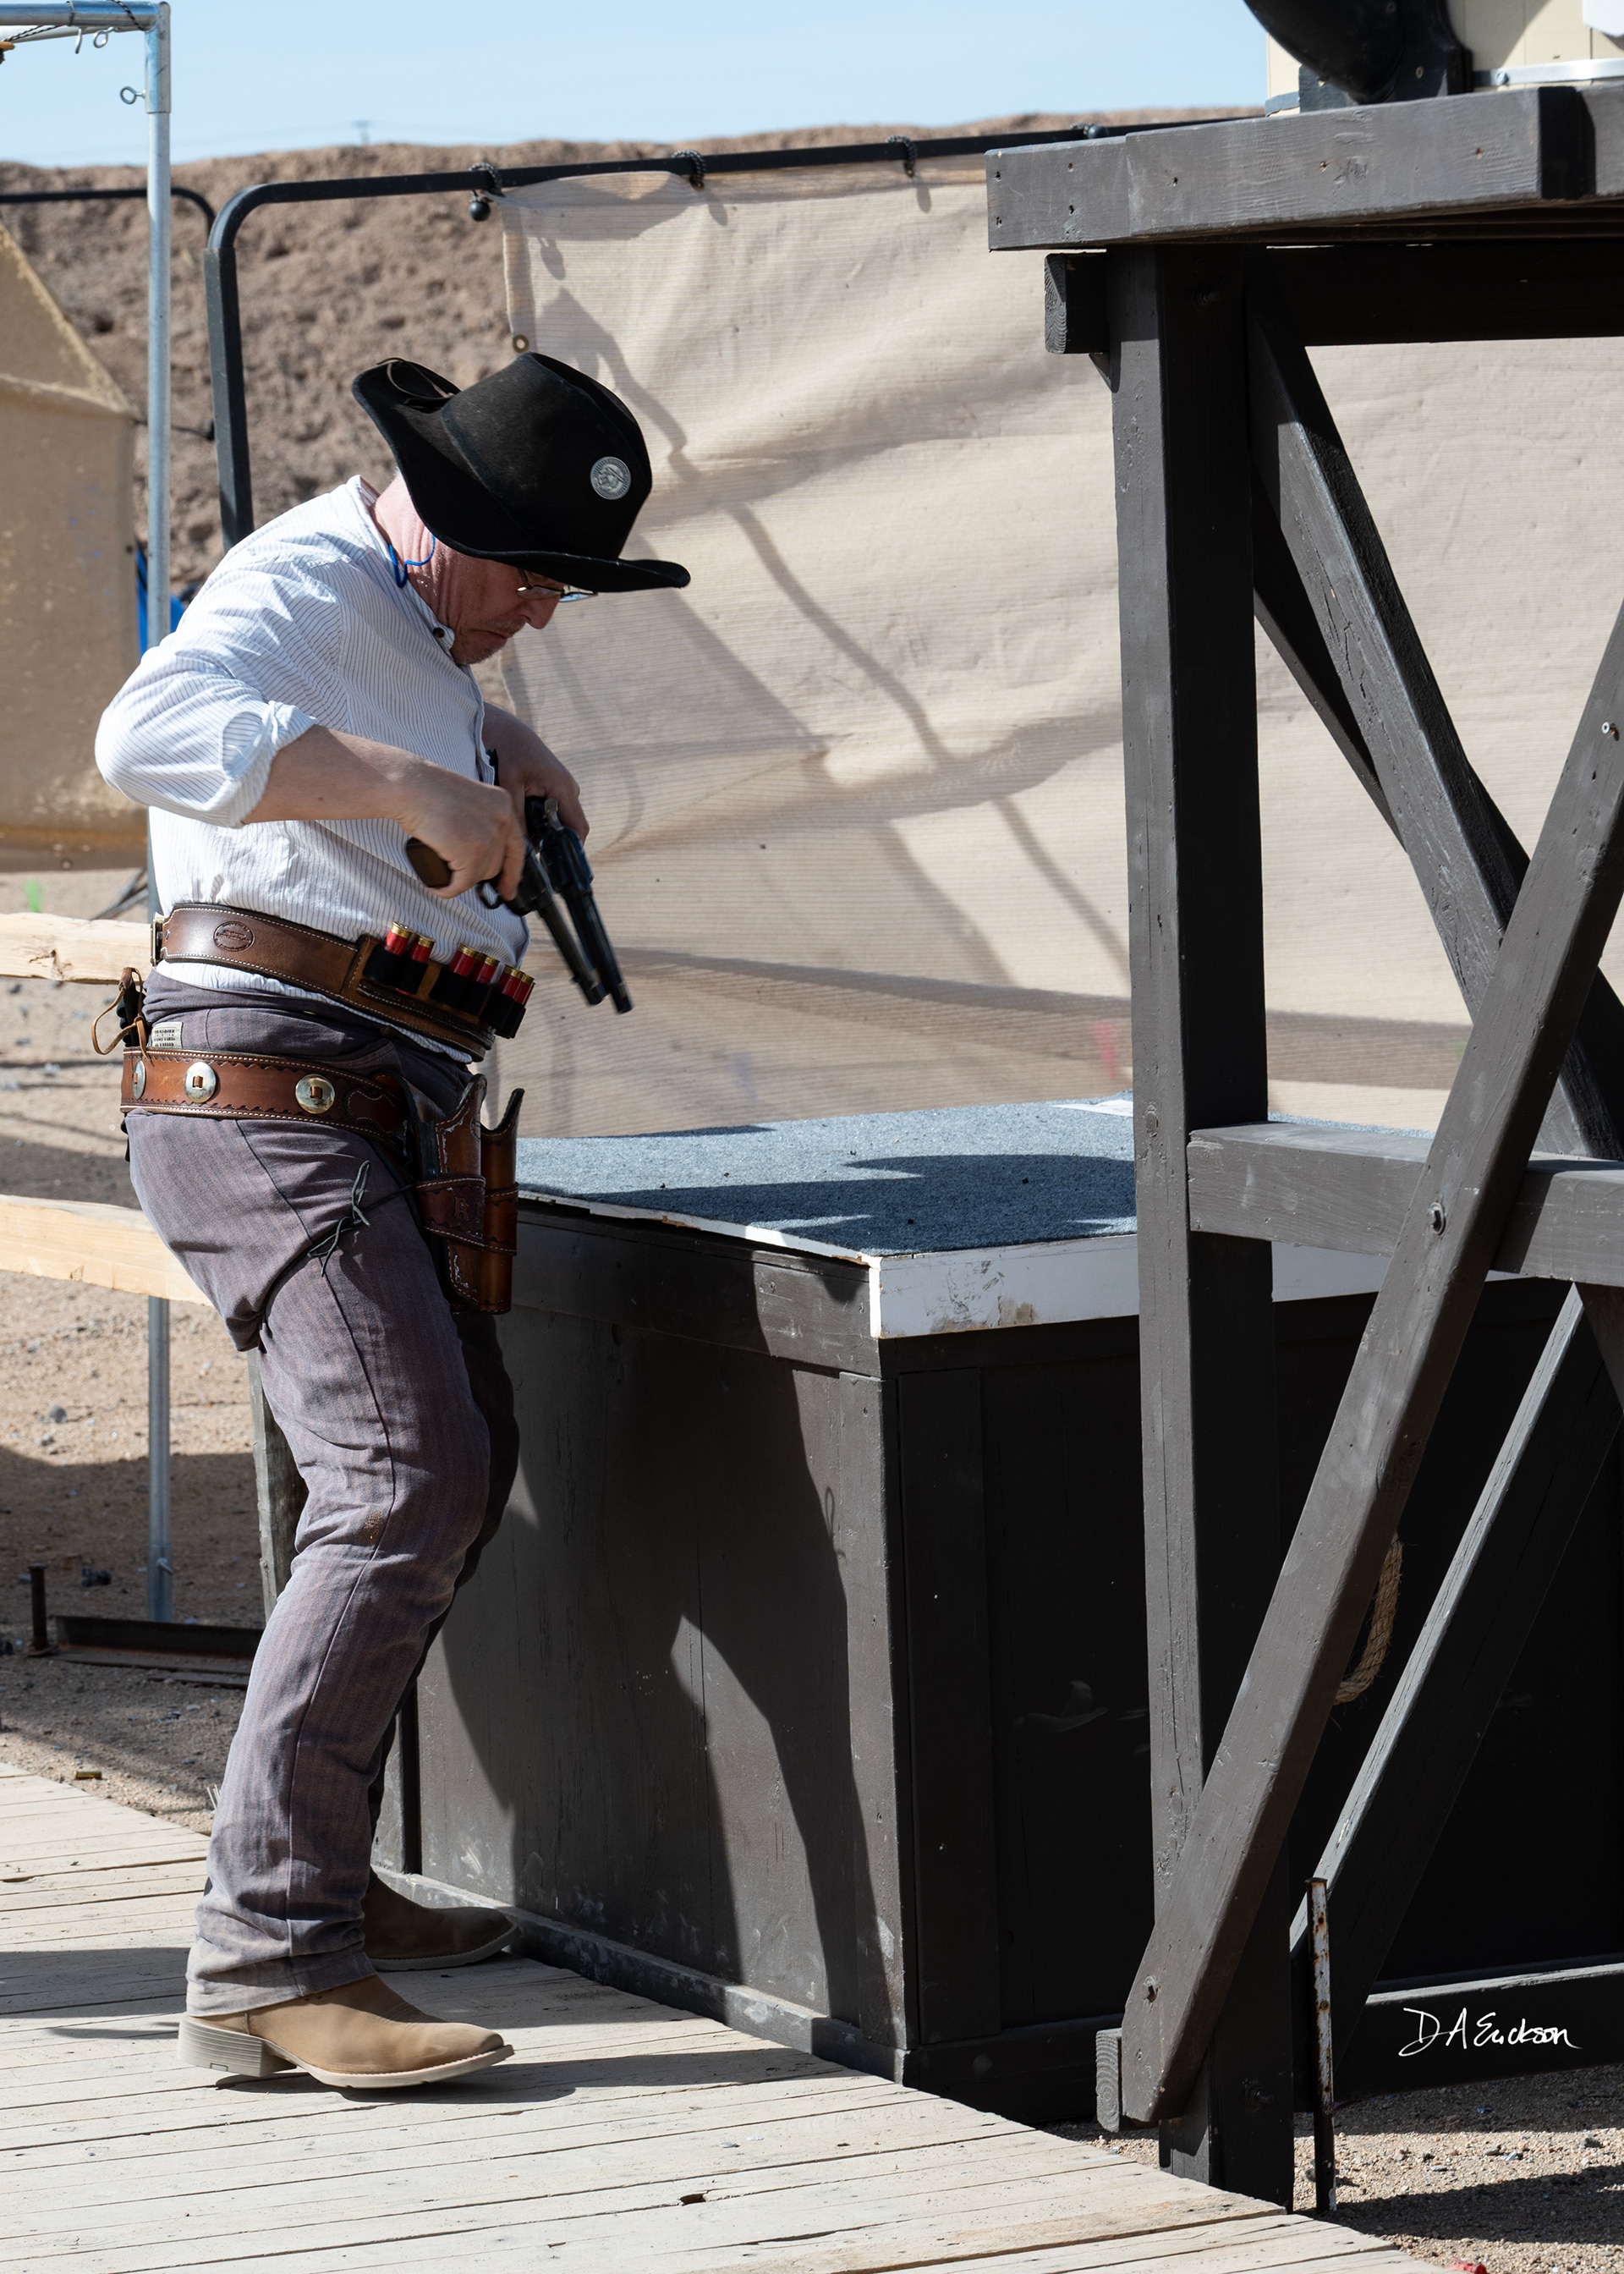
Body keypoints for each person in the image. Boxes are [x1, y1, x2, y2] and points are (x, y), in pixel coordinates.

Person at [95, 352, 689, 2091]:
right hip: (272, 1093)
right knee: (405, 1475)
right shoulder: (301, 582)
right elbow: (144, 734)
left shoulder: (405, 621)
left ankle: (319, 1881)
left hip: (354, 1095)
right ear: (437, 522)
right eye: (530, 576)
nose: (543, 613)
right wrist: (409, 781)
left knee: (449, 1463)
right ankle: (268, 1958)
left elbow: (373, 700)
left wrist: (478, 738)